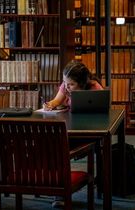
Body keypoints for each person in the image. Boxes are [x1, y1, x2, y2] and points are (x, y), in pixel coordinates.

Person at [45, 61, 103, 208]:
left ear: (82, 83)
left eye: (71, 84)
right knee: (55, 146)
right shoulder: (66, 85)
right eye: (65, 83)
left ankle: (102, 181)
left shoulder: (95, 88)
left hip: (91, 131)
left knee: (100, 146)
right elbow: (57, 100)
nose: (67, 87)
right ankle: (59, 191)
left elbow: (103, 112)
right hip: (70, 129)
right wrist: (50, 104)